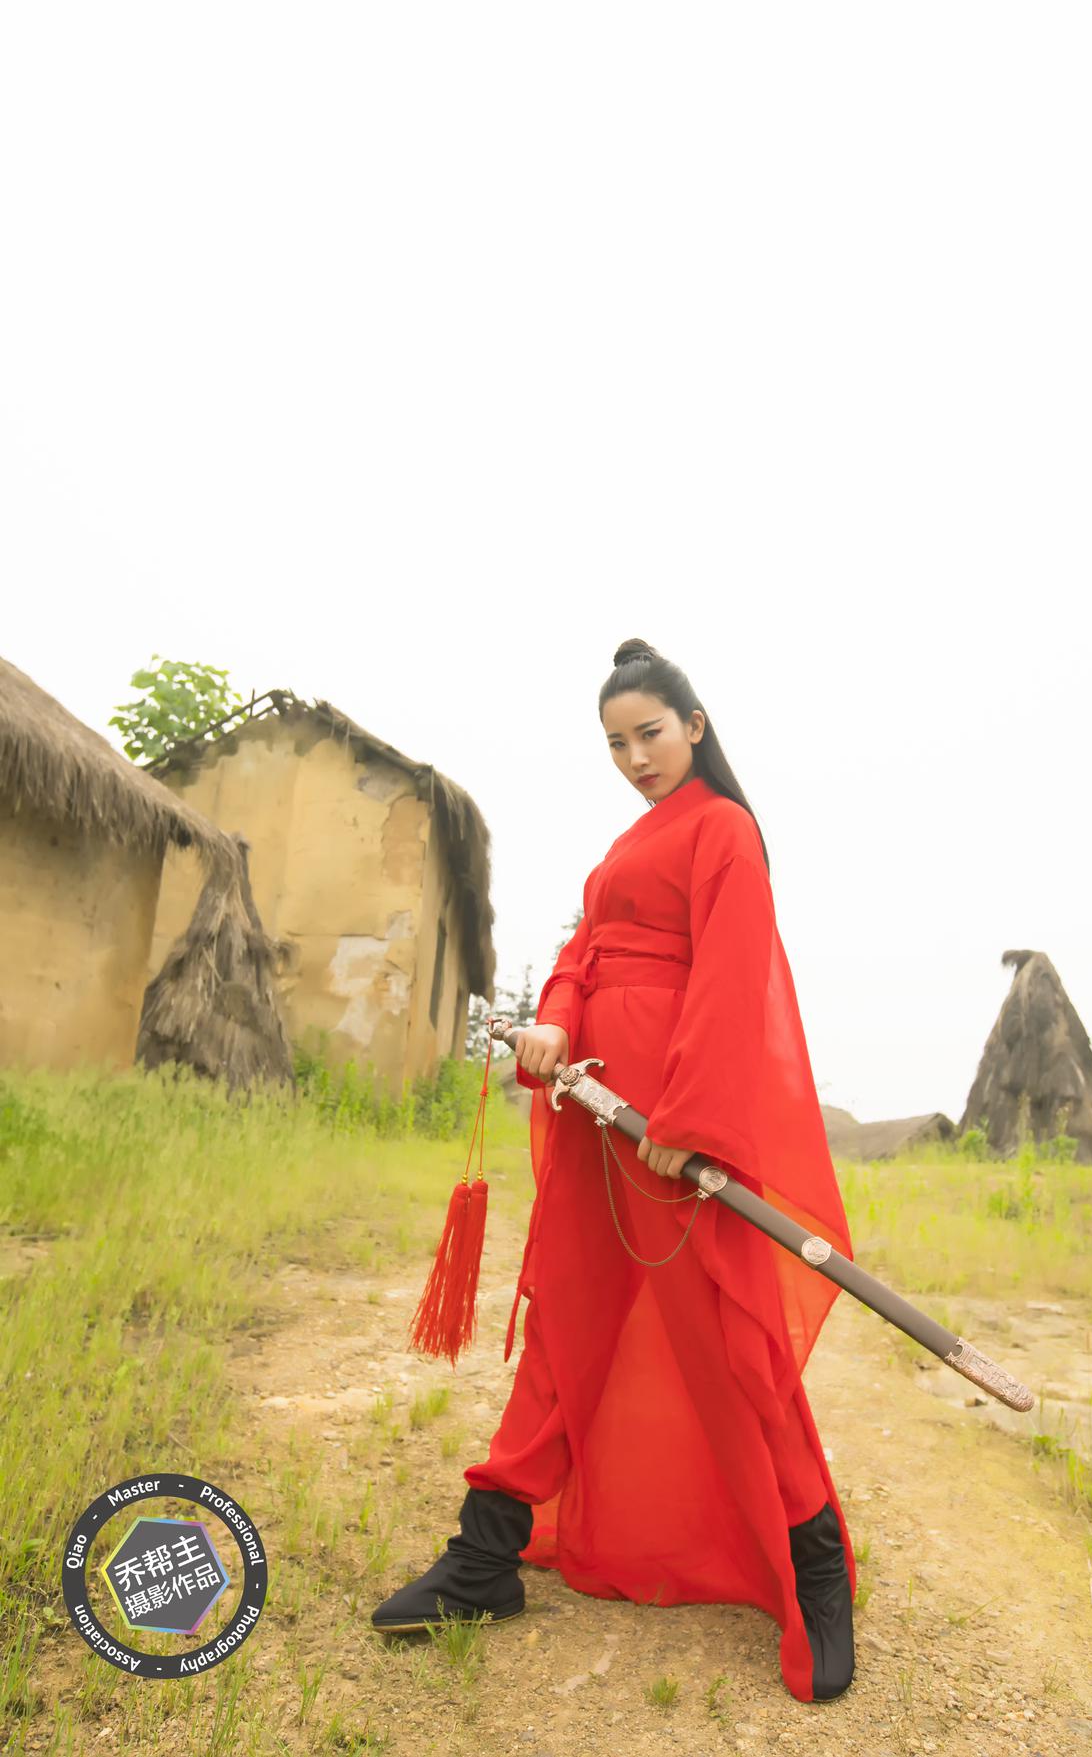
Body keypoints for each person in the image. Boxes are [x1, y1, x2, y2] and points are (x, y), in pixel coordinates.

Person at [372, 638, 857, 1704]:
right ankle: (486, 1553)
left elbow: (732, 976)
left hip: (673, 1127)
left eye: (649, 733)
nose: (635, 757)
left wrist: (689, 1118)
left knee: (731, 1337)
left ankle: (814, 1559)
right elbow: (581, 953)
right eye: (615, 743)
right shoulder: (626, 846)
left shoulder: (723, 829)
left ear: (694, 725)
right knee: (568, 1318)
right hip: (598, 1111)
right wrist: (554, 1019)